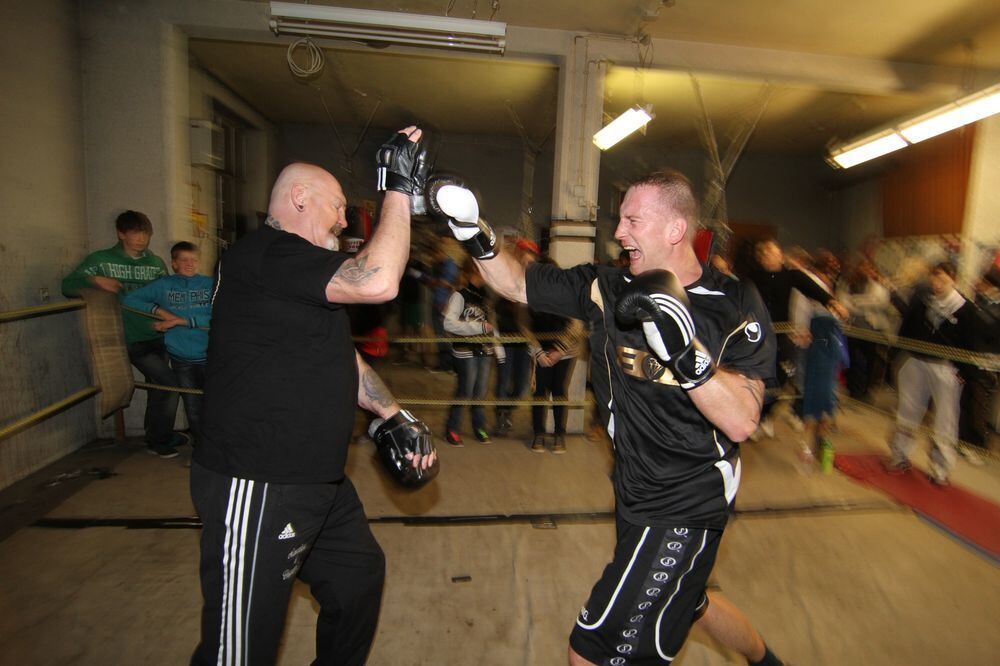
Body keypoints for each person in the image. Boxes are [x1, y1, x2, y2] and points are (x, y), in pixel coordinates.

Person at [428, 170, 786, 665]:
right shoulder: (607, 286)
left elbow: (744, 419)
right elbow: (515, 283)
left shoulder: (735, 302)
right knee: (690, 601)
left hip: (686, 502)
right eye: (620, 221)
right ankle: (767, 661)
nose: (619, 233)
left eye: (633, 221)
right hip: (633, 489)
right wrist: (473, 233)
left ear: (675, 229)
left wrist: (685, 354)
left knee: (588, 654)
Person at [190, 127, 437, 666]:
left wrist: (390, 411)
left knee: (357, 580)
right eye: (339, 207)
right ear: (300, 199)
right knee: (239, 650)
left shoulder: (294, 273)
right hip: (260, 480)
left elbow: (338, 357)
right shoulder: (267, 253)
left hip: (318, 483)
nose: (345, 220)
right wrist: (398, 189)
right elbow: (377, 282)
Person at [61, 209, 184, 458]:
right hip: (127, 337)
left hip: (158, 335)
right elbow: (67, 285)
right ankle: (158, 440)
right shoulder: (101, 260)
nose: (141, 238)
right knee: (169, 383)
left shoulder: (155, 263)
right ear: (120, 234)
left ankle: (158, 434)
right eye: (134, 233)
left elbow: (168, 294)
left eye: (145, 233)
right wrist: (96, 281)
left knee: (159, 386)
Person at [886, 261, 977, 485]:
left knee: (945, 419)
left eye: (942, 280)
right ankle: (899, 455)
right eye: (934, 279)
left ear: (953, 278)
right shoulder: (922, 303)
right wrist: (894, 355)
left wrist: (965, 372)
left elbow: (971, 344)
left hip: (946, 369)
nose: (937, 284)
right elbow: (905, 329)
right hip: (916, 363)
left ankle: (940, 468)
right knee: (908, 411)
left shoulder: (966, 310)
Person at [748, 239, 847, 438]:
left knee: (783, 377)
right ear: (761, 259)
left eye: (774, 253)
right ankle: (758, 418)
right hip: (758, 337)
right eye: (766, 254)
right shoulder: (754, 278)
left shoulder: (791, 275)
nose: (772, 257)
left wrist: (832, 302)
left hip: (781, 337)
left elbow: (812, 288)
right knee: (759, 380)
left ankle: (766, 417)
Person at [122, 241, 212, 444]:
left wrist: (181, 321)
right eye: (184, 260)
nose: (190, 264)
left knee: (214, 404)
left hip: (210, 355)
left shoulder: (210, 284)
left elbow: (221, 316)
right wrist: (159, 312)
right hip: (181, 358)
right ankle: (201, 450)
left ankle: (216, 447)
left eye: (194, 260)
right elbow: (129, 300)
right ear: (174, 263)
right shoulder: (164, 285)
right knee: (192, 406)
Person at [528, 256, 586, 454]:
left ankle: (559, 434)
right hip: (540, 352)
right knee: (540, 393)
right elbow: (524, 326)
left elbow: (576, 325)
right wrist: (538, 351)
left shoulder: (568, 294)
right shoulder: (530, 296)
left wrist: (559, 351)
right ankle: (538, 433)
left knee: (559, 391)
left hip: (565, 353)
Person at [443, 256, 498, 446]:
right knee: (464, 390)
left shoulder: (486, 296)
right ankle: (452, 428)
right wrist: (478, 327)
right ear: (475, 270)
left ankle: (479, 427)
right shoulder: (460, 295)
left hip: (484, 350)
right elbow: (448, 323)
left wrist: (498, 349)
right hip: (465, 351)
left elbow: (492, 324)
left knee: (480, 392)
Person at [494, 238, 539, 435]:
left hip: (524, 342)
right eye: (524, 256)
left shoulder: (536, 284)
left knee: (521, 384)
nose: (527, 263)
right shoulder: (506, 278)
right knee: (503, 380)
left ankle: (508, 410)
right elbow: (496, 309)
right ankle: (502, 414)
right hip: (506, 339)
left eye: (530, 260)